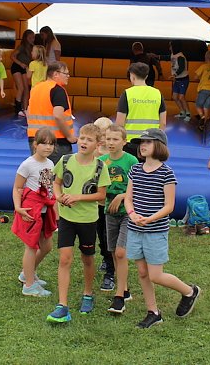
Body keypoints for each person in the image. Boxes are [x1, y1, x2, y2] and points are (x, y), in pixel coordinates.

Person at [124, 128, 200, 328]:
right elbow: (128, 198)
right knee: (142, 272)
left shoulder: (166, 173)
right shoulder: (135, 169)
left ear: (159, 146)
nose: (143, 145)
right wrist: (132, 214)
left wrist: (149, 219)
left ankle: (189, 292)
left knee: (156, 275)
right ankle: (154, 312)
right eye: (141, 142)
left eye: (148, 142)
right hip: (135, 228)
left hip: (155, 231)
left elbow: (169, 206)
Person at [46, 124, 111, 323]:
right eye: (82, 138)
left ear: (97, 145)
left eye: (89, 140)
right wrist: (59, 197)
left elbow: (101, 196)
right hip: (67, 219)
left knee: (87, 258)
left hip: (88, 220)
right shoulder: (65, 160)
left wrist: (78, 197)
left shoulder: (100, 167)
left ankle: (88, 294)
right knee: (65, 259)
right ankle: (62, 305)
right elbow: (56, 183)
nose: (84, 142)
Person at [12, 127, 58, 297]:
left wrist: (55, 209)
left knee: (46, 246)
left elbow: (49, 188)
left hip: (45, 211)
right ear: (35, 145)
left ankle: (27, 273)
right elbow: (17, 188)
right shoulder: (27, 164)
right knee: (31, 246)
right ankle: (29, 286)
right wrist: (18, 208)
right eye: (44, 143)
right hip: (31, 210)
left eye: (51, 144)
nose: (48, 147)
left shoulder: (50, 164)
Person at [100, 124, 138, 314]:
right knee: (114, 251)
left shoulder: (131, 160)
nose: (111, 142)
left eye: (115, 139)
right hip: (109, 212)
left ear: (124, 142)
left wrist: (121, 196)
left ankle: (119, 297)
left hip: (127, 212)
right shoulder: (101, 161)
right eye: (108, 139)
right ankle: (125, 288)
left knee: (121, 252)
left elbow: (138, 186)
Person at [27, 61, 76, 167]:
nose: (68, 76)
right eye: (65, 73)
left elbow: (28, 111)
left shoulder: (36, 89)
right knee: (60, 173)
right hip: (56, 141)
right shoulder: (57, 90)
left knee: (40, 172)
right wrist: (69, 136)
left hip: (35, 139)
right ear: (56, 74)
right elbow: (58, 115)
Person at [115, 62, 166, 158]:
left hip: (130, 143)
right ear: (146, 76)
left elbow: (119, 124)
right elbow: (163, 123)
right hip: (152, 142)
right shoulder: (157, 93)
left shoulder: (127, 94)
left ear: (132, 76)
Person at [93, 116, 115, 292]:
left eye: (104, 133)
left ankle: (111, 272)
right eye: (99, 132)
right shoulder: (92, 152)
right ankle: (105, 259)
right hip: (96, 204)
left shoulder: (115, 154)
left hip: (111, 204)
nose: (102, 137)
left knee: (109, 237)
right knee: (100, 235)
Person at [10, 29, 35, 117]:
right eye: (30, 38)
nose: (32, 39)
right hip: (17, 67)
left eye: (33, 37)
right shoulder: (22, 47)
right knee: (21, 88)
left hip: (24, 68)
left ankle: (25, 108)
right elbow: (12, 56)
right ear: (26, 38)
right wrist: (20, 63)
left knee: (26, 88)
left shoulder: (32, 48)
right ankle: (18, 109)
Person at [193, 51, 210, 131]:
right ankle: (204, 123)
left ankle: (202, 117)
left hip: (204, 89)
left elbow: (195, 77)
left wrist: (200, 78)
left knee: (198, 105)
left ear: (206, 58)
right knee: (206, 106)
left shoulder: (204, 66)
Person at [169, 40, 191, 122]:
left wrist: (174, 75)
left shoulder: (180, 57)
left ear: (174, 46)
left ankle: (188, 114)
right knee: (175, 97)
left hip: (183, 79)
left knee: (181, 97)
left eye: (170, 46)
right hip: (177, 80)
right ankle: (182, 112)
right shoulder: (173, 54)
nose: (169, 48)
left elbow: (181, 68)